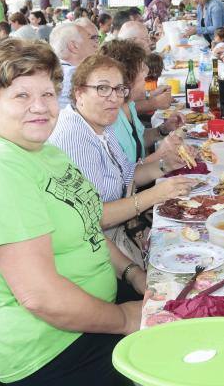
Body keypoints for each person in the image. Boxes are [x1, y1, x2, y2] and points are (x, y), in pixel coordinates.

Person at [0, 40, 147, 386]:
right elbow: (42, 298)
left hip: (85, 313)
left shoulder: (43, 152)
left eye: (48, 94)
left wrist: (131, 272)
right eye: (21, 96)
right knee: (175, 368)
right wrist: (125, 319)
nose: (39, 107)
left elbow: (87, 224)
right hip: (44, 352)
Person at [48, 54, 196, 260]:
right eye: (102, 88)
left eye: (119, 89)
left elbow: (127, 175)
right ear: (79, 93)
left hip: (120, 235)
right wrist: (155, 195)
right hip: (96, 250)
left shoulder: (99, 124)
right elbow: (96, 217)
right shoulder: (75, 137)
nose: (114, 97)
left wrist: (165, 164)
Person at [98, 40, 187, 165]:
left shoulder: (129, 104)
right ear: (126, 78)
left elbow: (138, 140)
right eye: (141, 68)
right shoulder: (110, 119)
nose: (147, 70)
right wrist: (160, 156)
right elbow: (124, 178)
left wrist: (163, 129)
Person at [49, 21, 98, 108]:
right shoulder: (74, 75)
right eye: (90, 38)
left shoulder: (51, 69)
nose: (95, 44)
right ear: (74, 46)